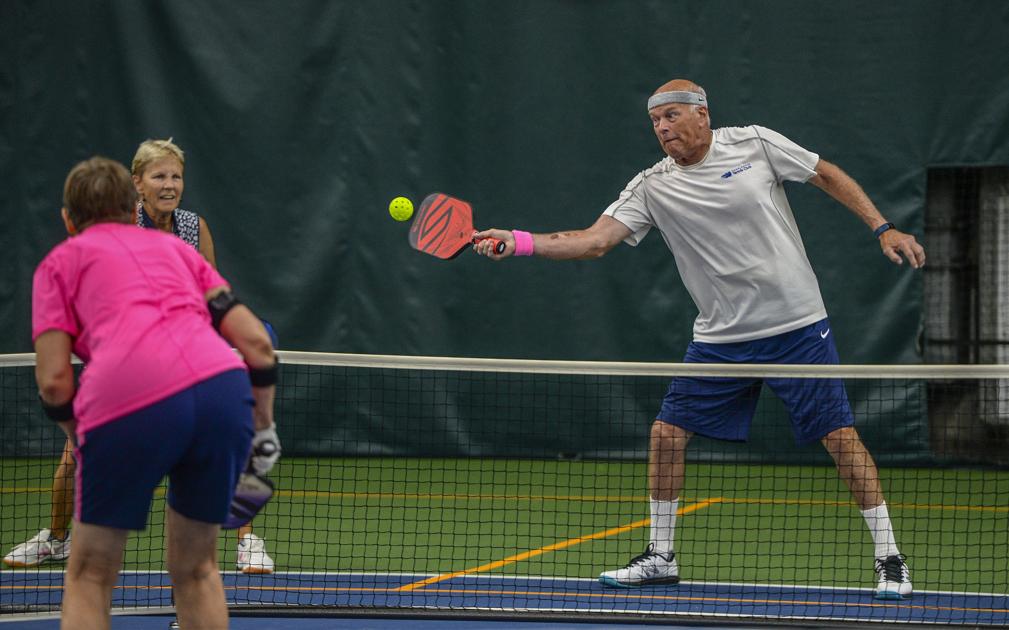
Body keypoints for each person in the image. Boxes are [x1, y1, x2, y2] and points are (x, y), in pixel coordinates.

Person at [474, 79, 925, 600]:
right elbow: (594, 241)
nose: (663, 127)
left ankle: (889, 557)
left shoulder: (754, 143)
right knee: (666, 436)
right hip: (721, 339)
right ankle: (661, 557)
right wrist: (520, 241)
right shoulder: (651, 186)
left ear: (702, 115)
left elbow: (824, 174)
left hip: (797, 327)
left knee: (841, 439)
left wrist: (883, 227)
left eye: (671, 116)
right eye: (655, 121)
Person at [4, 139, 276, 576]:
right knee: (74, 452)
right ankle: (57, 538)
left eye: (176, 176)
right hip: (124, 356)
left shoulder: (192, 226)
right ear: (137, 183)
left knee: (226, 445)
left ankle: (246, 540)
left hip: (187, 356)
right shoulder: (118, 225)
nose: (169, 185)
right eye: (159, 176)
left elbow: (213, 295)